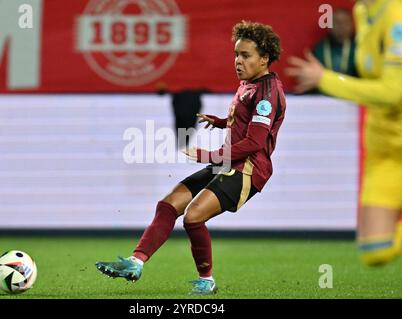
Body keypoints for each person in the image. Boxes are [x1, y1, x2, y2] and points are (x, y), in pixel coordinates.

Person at [96, 21, 286, 294]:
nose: (238, 61)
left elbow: (255, 142)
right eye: (236, 54)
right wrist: (222, 122)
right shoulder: (249, 84)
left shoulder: (268, 92)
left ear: (264, 58)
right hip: (229, 163)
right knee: (169, 204)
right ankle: (135, 262)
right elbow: (247, 123)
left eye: (245, 55)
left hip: (248, 170)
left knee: (193, 217)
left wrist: (209, 154)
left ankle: (207, 282)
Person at [286, 0, 402, 266]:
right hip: (384, 153)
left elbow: (394, 93)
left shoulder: (396, 17)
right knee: (376, 251)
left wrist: (325, 80)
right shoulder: (363, 13)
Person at [313, 8, 357, 76]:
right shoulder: (319, 49)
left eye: (345, 22)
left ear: (352, 24)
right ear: (329, 25)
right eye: (337, 22)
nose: (341, 26)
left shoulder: (358, 48)